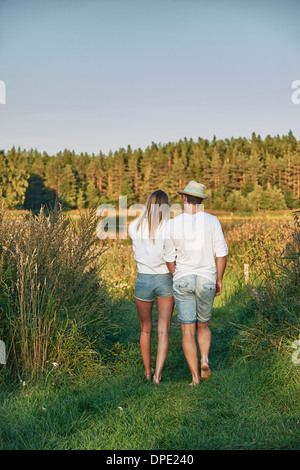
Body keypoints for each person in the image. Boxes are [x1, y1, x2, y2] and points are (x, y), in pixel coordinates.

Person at [163, 181, 228, 385]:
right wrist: (218, 279)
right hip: (206, 279)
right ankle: (205, 359)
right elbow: (222, 254)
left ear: (184, 199)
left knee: (187, 330)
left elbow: (168, 257)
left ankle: (194, 378)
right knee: (203, 325)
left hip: (183, 279)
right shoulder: (212, 221)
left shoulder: (172, 224)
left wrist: (176, 277)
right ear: (200, 201)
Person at [129, 190, 174, 384]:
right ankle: (157, 376)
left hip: (144, 279)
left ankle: (147, 371)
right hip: (165, 279)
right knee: (163, 329)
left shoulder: (134, 226)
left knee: (145, 329)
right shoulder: (170, 227)